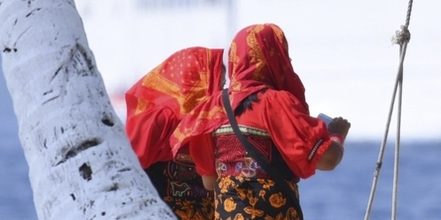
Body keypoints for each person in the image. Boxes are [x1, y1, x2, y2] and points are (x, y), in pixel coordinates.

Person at [182, 24, 350, 220]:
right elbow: (327, 159)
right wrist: (337, 135)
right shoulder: (275, 103)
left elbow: (210, 182)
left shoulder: (211, 107)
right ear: (273, 59)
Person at [124, 46, 226, 220]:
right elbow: (128, 172)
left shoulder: (207, 118)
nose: (220, 92)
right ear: (196, 83)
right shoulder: (157, 119)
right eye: (218, 84)